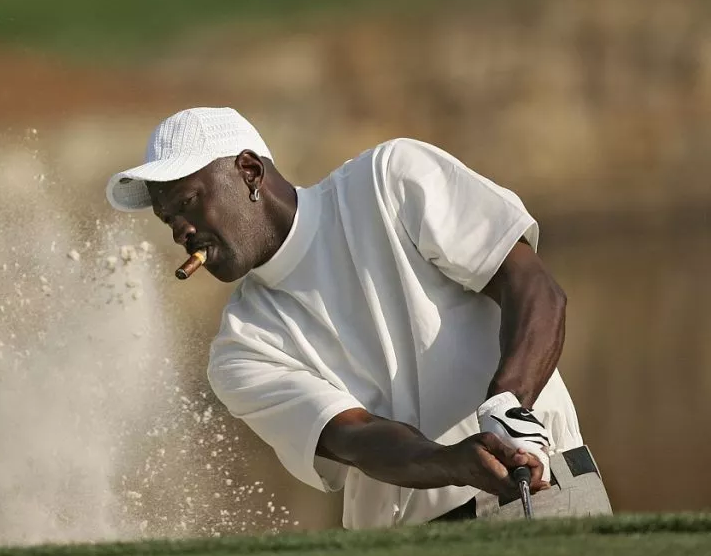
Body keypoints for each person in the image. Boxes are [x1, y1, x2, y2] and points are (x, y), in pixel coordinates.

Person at [105, 107, 603, 528]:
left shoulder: (390, 178)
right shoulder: (240, 348)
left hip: (547, 490)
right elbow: (355, 438)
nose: (181, 231)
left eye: (188, 203)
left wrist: (510, 403)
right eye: (168, 219)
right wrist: (454, 462)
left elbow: (532, 287)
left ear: (250, 172)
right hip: (410, 552)